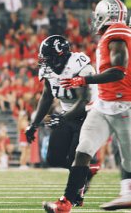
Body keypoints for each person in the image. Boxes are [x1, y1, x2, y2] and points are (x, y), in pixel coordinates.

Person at [43, 0, 131, 212]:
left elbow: (118, 71)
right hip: (104, 103)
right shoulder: (115, 34)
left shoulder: (116, 35)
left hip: (123, 104)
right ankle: (67, 201)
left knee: (127, 156)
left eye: (98, 16)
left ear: (105, 15)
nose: (95, 20)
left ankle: (127, 194)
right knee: (83, 150)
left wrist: (84, 80)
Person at [25, 35, 99, 206]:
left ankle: (73, 197)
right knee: (53, 157)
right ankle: (84, 174)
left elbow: (84, 100)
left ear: (60, 55)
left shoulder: (80, 66)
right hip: (66, 114)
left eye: (49, 57)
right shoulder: (49, 70)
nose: (46, 62)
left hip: (89, 114)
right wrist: (34, 124)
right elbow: (47, 96)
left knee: (76, 156)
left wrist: (62, 118)